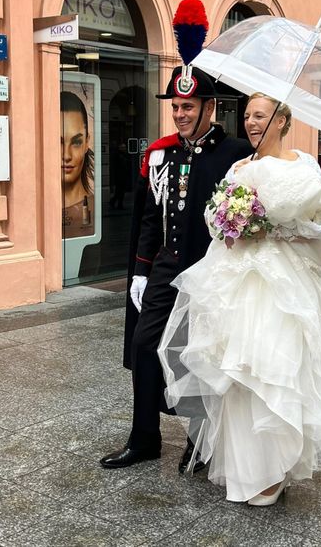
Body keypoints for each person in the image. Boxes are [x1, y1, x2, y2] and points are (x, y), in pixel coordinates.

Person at [158, 92, 321, 506]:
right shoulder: (239, 167)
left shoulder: (304, 167)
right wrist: (234, 220)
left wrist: (273, 228)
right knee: (238, 375)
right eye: (247, 115)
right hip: (237, 285)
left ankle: (275, 469)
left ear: (282, 120)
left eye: (260, 115)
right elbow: (213, 220)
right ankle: (246, 470)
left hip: (282, 286)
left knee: (274, 369)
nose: (251, 123)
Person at [99, 65, 251, 471]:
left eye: (189, 106)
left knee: (201, 354)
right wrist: (142, 271)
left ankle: (199, 442)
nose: (181, 113)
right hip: (167, 268)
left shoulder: (236, 154)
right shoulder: (163, 154)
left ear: (210, 107)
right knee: (144, 345)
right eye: (176, 106)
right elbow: (151, 217)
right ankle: (144, 437)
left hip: (212, 270)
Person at [61, 91, 95, 239]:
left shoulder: (95, 208)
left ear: (87, 142)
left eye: (76, 142)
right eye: (59, 142)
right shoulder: (35, 209)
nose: (66, 155)